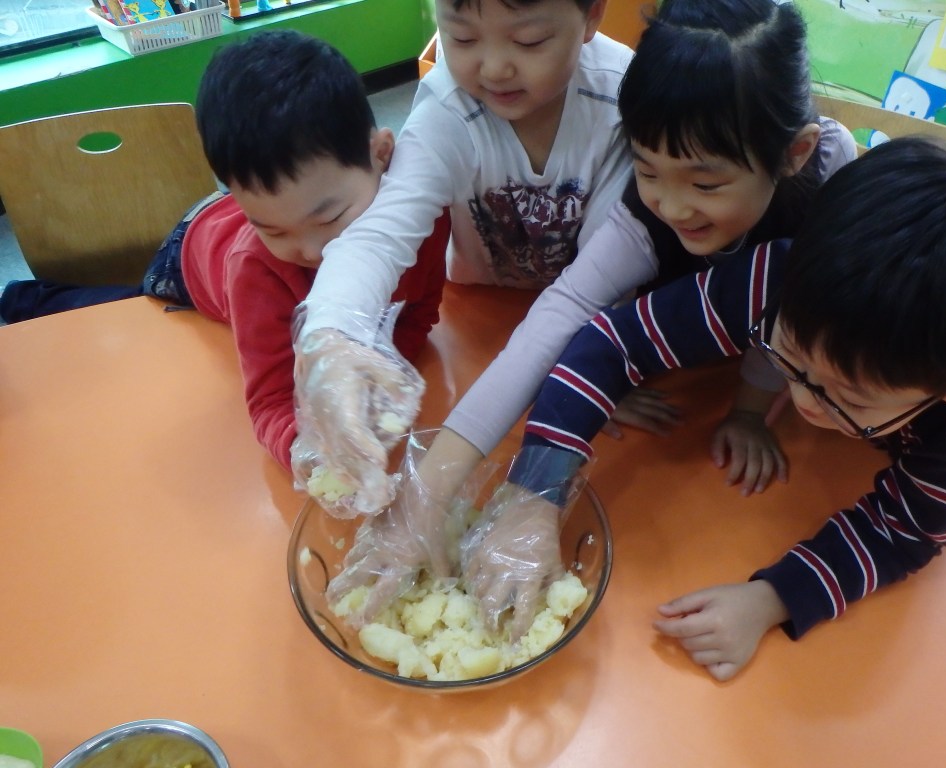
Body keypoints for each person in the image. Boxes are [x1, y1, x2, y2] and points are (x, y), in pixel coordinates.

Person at [329, 0, 857, 625]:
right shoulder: (639, 216)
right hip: (663, 346)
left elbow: (793, 311)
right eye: (648, 168)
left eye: (706, 185)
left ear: (794, 154)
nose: (671, 205)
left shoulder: (832, 177)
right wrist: (426, 493)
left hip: (761, 379)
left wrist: (749, 407)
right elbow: (567, 317)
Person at [464, 137, 946, 679]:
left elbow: (904, 533)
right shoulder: (783, 280)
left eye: (848, 397)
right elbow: (613, 341)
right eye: (791, 357)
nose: (801, 401)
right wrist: (536, 492)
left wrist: (773, 597)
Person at [0, 30, 450, 471]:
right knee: (136, 312)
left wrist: (376, 374)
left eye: (330, 219)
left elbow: (416, 314)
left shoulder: (422, 221)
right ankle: (29, 298)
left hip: (236, 224)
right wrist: (313, 453)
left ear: (382, 155)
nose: (313, 251)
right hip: (192, 256)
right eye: (275, 230)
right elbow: (271, 401)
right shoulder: (257, 269)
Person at [290, 0, 635, 514]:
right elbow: (378, 235)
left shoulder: (621, 101)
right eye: (463, 39)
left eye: (530, 41)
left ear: (591, 17)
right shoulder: (447, 112)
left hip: (585, 322)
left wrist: (595, 367)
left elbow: (592, 283)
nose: (493, 68)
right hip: (477, 316)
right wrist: (331, 333)